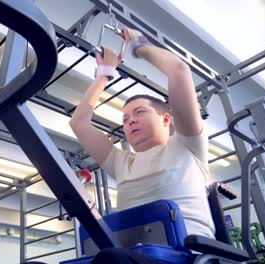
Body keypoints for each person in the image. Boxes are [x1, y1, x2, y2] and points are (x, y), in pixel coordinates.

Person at [69, 27, 215, 263]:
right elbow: (79, 123)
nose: (131, 121)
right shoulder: (121, 161)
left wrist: (140, 46)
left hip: (186, 255)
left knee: (112, 259)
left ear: (166, 119)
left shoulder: (187, 145)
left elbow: (179, 71)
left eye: (139, 113)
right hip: (133, 254)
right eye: (125, 119)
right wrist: (104, 74)